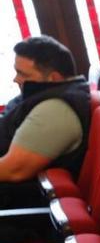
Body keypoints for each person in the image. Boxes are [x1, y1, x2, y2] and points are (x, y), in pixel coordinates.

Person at [0, 35, 90, 211]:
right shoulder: (44, 93)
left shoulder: (56, 109)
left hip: (18, 205)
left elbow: (14, 169)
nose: (15, 79)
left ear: (54, 78)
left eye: (22, 74)